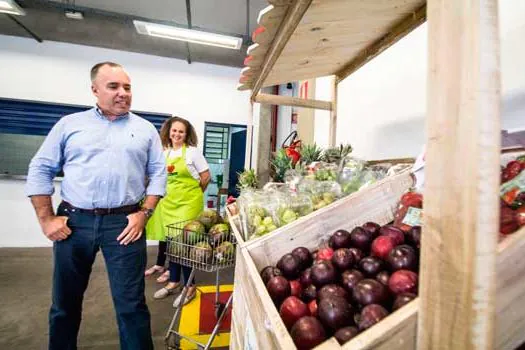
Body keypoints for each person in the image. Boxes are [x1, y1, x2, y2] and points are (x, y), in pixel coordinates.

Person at [25, 62, 166, 350]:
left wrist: (145, 213)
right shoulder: (70, 125)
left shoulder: (145, 129)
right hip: (74, 223)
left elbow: (158, 174)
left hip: (125, 223)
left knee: (131, 306)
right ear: (94, 90)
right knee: (65, 303)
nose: (123, 93)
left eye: (127, 87)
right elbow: (40, 168)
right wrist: (46, 219)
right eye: (113, 86)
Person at [146, 116, 210, 306]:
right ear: (169, 131)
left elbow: (206, 177)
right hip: (169, 204)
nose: (177, 134)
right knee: (172, 246)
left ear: (187, 134)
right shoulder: (165, 153)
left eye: (181, 131)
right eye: (174, 130)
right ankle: (173, 282)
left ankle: (190, 287)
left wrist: (195, 194)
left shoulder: (192, 152)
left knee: (183, 246)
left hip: (187, 205)